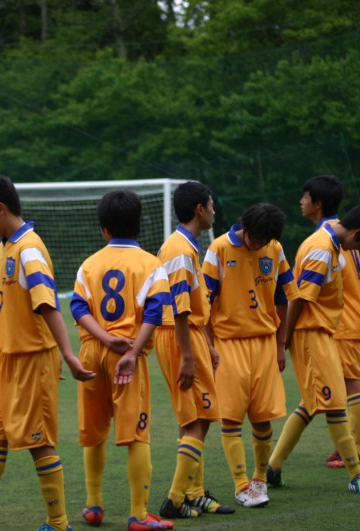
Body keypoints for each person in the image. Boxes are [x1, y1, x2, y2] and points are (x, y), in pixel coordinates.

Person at [0, 175, 95, 531]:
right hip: (8, 359)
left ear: (1, 209)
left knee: (38, 442)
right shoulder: (5, 244)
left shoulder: (29, 249)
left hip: (33, 360)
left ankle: (58, 522)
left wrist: (66, 354)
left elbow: (48, 306)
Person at [71, 190, 173, 531]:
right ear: (139, 225)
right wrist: (130, 352)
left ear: (104, 229)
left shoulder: (89, 263)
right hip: (127, 356)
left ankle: (93, 505)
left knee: (93, 432)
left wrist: (102, 337)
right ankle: (139, 515)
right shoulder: (151, 264)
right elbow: (155, 312)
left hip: (91, 352)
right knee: (137, 435)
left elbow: (78, 308)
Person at [266, 204, 360, 495]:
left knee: (312, 403)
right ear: (355, 233)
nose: (357, 248)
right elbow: (299, 299)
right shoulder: (322, 248)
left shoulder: (328, 244)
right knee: (333, 404)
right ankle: (356, 474)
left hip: (321, 334)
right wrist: (284, 339)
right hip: (311, 335)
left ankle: (273, 466)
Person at [202, 203, 297, 508]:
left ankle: (259, 478)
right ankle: (241, 484)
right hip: (228, 344)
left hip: (265, 344)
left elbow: (284, 299)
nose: (257, 244)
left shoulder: (275, 248)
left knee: (263, 417)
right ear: (244, 226)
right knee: (231, 417)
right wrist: (209, 345)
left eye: (264, 241)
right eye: (255, 238)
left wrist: (281, 344)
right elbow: (204, 304)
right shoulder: (218, 249)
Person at [152, 181, 234, 520]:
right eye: (211, 204)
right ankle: (174, 499)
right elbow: (181, 308)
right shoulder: (180, 251)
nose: (214, 210)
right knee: (201, 418)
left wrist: (206, 344)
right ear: (200, 209)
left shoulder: (182, 246)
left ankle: (194, 493)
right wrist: (189, 354)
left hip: (184, 334)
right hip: (178, 335)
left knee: (193, 417)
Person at [299, 175, 360, 469]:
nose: (301, 202)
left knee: (350, 386)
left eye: (305, 197)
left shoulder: (330, 236)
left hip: (341, 320)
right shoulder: (341, 230)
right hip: (352, 316)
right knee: (343, 386)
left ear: (317, 204)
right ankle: (351, 446)